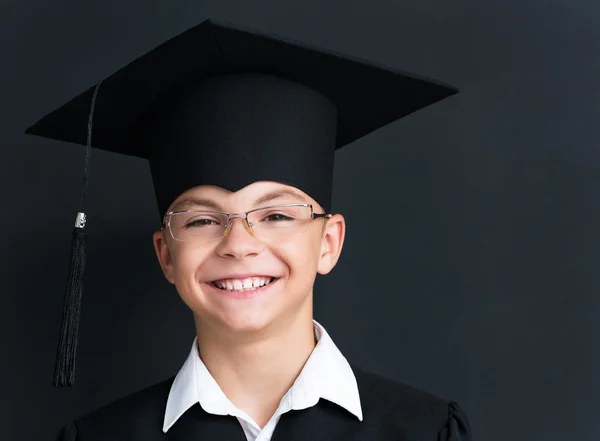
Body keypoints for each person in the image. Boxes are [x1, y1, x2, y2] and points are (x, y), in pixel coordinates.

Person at [27, 18, 472, 441]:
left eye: (276, 215)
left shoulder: (423, 430)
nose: (239, 245)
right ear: (166, 255)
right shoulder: (104, 437)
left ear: (329, 243)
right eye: (202, 220)